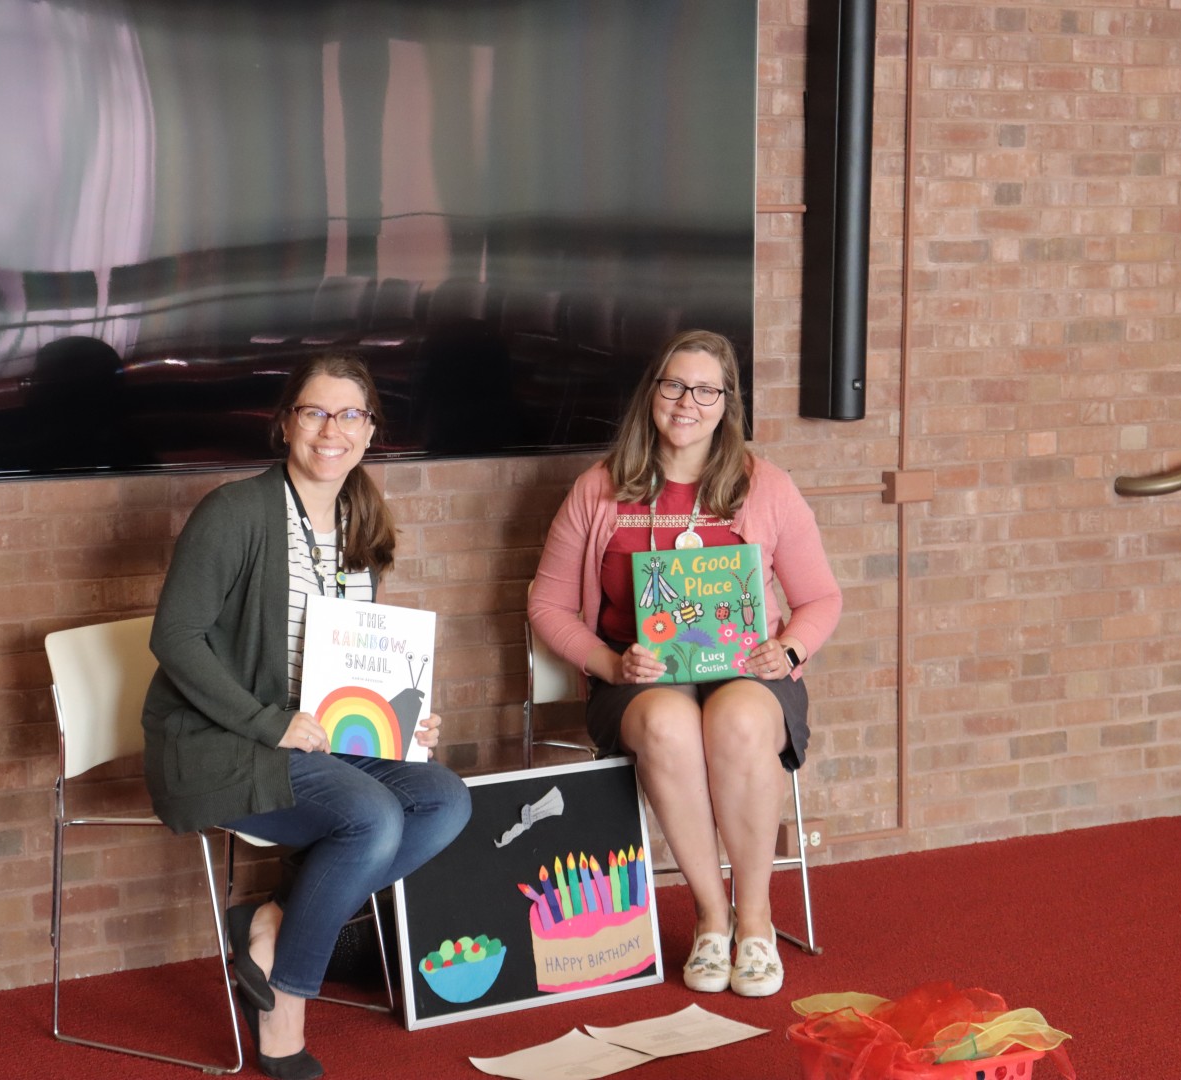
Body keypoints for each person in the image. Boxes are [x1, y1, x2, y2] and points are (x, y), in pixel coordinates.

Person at [142, 353, 471, 1079]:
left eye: (350, 415)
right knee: (373, 818)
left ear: (370, 430)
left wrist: (402, 718)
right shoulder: (235, 512)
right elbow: (175, 638)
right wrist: (269, 722)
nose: (332, 430)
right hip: (221, 739)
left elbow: (354, 665)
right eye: (315, 412)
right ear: (286, 423)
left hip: (317, 737)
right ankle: (284, 1003)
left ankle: (271, 922)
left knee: (443, 800)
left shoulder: (360, 521)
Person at [528, 328, 841, 999]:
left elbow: (821, 599)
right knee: (669, 726)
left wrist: (788, 649)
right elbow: (547, 605)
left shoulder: (765, 487)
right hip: (637, 682)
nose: (687, 402)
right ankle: (711, 917)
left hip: (748, 672)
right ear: (653, 393)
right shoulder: (598, 489)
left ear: (727, 404)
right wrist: (608, 663)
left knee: (740, 723)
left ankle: (755, 920)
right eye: (674, 385)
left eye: (706, 390)